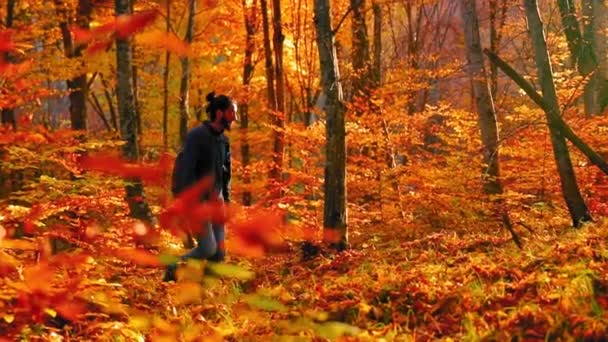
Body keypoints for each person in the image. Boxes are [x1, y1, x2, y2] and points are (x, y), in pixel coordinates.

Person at [163, 91, 237, 282]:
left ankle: (204, 294)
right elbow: (185, 170)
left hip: (217, 203)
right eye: (231, 112)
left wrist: (226, 201)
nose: (235, 117)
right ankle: (174, 264)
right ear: (219, 113)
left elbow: (226, 173)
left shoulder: (224, 141)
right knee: (207, 248)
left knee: (219, 254)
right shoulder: (197, 136)